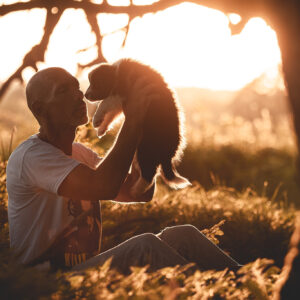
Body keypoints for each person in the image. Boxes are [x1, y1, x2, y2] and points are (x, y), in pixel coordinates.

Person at [6, 67, 241, 274]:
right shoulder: (32, 157)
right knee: (144, 246)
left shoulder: (80, 153)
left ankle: (255, 284)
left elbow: (138, 192)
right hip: (47, 282)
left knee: (183, 234)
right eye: (63, 91)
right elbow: (103, 186)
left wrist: (146, 128)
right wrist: (134, 119)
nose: (78, 95)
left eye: (76, 87)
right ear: (40, 109)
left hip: (84, 271)